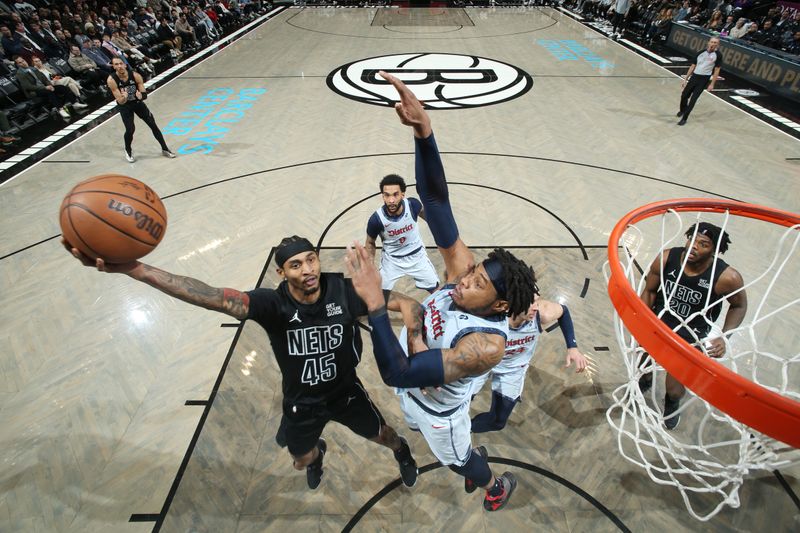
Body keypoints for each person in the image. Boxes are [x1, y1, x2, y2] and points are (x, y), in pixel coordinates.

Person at [62, 235, 420, 491]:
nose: (308, 269)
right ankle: (317, 453)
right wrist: (135, 270)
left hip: (346, 392)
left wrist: (415, 337)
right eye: (296, 265)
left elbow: (404, 303)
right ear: (281, 273)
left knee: (385, 435)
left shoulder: (344, 291)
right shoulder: (272, 305)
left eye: (311, 259)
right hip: (302, 404)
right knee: (300, 460)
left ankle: (402, 453)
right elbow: (212, 297)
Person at [345, 71, 539, 512]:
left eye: (478, 283)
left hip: (439, 413)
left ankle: (491, 484)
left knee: (458, 460)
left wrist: (380, 303)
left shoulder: (486, 345)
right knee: (410, 409)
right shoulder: (464, 275)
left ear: (501, 305)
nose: (465, 279)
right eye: (472, 273)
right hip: (413, 390)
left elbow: (396, 373)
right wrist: (424, 131)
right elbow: (434, 202)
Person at [638, 223, 747, 430]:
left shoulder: (727, 277)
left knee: (674, 388)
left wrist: (725, 336)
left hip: (690, 335)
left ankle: (671, 403)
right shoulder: (666, 258)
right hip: (658, 323)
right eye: (692, 239)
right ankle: (646, 378)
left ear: (714, 250)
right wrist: (641, 317)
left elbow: (739, 305)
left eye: (703, 244)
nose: (693, 246)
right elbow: (650, 290)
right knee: (642, 363)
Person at [470, 295, 588, 434]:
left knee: (498, 422)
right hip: (482, 364)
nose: (536, 306)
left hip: (513, 370)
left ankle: (467, 430)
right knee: (455, 405)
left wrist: (572, 347)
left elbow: (564, 311)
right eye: (530, 302)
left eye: (537, 301)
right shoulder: (488, 317)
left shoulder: (541, 314)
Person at [365, 174, 440, 294]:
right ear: (382, 196)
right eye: (387, 195)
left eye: (395, 194)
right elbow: (370, 242)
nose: (391, 200)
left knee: (436, 291)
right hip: (392, 261)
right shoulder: (376, 219)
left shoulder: (413, 205)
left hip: (417, 256)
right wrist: (369, 265)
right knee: (378, 296)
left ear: (402, 194)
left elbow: (430, 218)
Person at [107, 57, 176, 162]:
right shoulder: (111, 80)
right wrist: (124, 97)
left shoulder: (135, 75)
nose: (119, 66)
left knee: (153, 125)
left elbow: (144, 94)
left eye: (121, 63)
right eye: (116, 64)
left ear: (125, 65)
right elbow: (120, 101)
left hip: (138, 103)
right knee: (130, 129)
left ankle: (165, 149)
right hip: (125, 106)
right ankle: (128, 150)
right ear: (113, 66)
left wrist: (141, 96)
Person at [13, 55, 77, 121]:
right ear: (17, 65)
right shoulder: (19, 74)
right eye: (20, 62)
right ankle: (60, 109)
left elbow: (44, 78)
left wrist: (50, 85)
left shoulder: (33, 68)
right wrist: (45, 87)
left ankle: (75, 103)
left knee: (61, 87)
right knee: (49, 92)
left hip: (45, 87)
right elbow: (28, 86)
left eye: (23, 60)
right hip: (34, 91)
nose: (23, 63)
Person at [677, 36, 722, 126]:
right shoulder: (700, 53)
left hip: (704, 79)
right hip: (694, 77)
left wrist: (712, 84)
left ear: (718, 45)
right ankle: (682, 110)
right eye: (712, 42)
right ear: (708, 42)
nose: (713, 44)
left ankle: (684, 118)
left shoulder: (718, 55)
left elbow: (717, 70)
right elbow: (693, 66)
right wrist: (685, 79)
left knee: (693, 100)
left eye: (715, 43)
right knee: (684, 95)